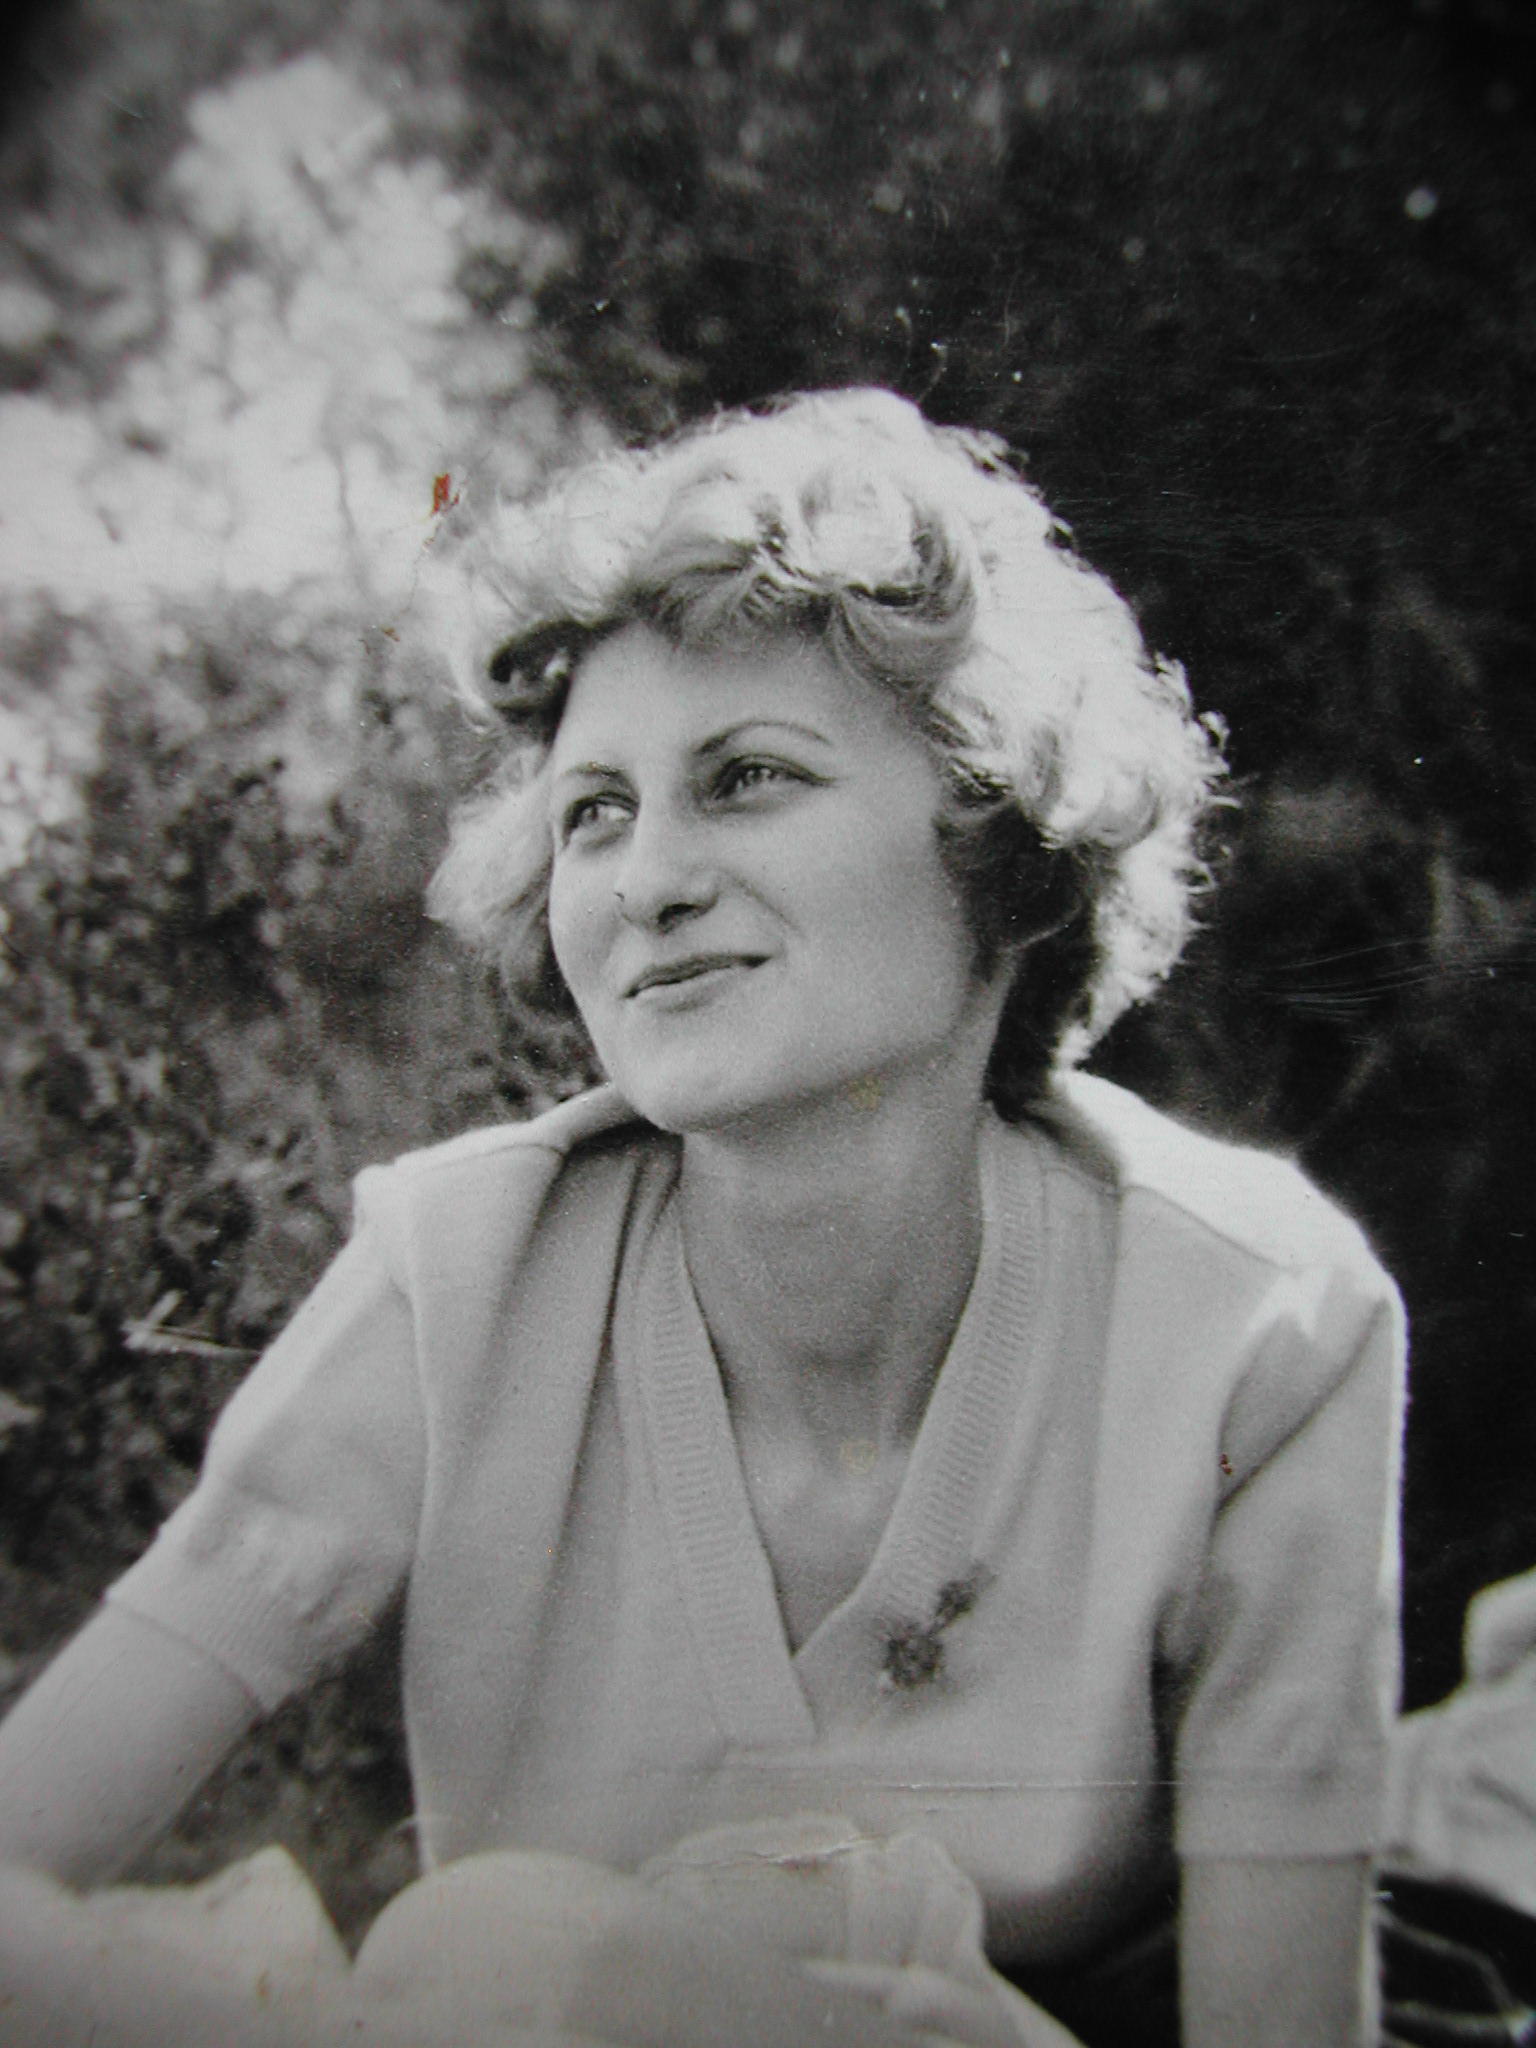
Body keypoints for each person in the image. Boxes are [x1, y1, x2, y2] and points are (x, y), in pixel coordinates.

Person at [0, 389, 1405, 2047]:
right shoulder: (461, 1278)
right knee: (466, 1964)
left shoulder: (1255, 1318)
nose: (646, 879)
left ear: (1002, 856)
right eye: (594, 810)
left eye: (746, 779)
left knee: (503, 1954)